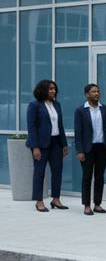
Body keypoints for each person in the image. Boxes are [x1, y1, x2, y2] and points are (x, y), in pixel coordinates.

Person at [26, 79, 68, 212]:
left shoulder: (57, 105)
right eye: (50, 89)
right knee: (39, 173)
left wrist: (64, 144)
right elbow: (31, 127)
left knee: (58, 172)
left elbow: (60, 126)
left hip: (56, 143)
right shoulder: (34, 105)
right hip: (41, 144)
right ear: (43, 90)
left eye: (54, 89)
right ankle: (39, 201)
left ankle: (56, 199)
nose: (53, 91)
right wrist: (35, 147)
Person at [73, 83, 106, 215]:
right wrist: (79, 150)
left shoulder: (104, 109)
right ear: (87, 94)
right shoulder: (80, 110)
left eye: (98, 91)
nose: (97, 94)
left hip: (102, 147)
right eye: (94, 92)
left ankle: (98, 204)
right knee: (87, 176)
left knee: (100, 176)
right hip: (87, 148)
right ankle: (86, 205)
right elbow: (78, 132)